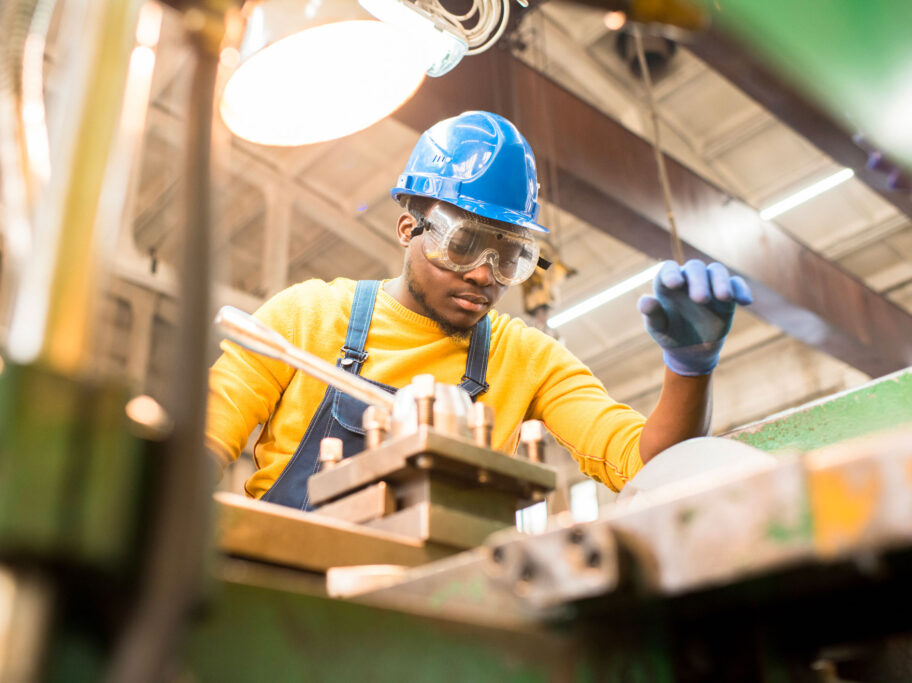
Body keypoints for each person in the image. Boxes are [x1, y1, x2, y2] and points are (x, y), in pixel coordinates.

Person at [206, 110, 752, 510]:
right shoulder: (304, 318)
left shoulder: (527, 358)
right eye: (463, 244)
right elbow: (202, 444)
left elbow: (647, 464)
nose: (484, 275)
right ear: (407, 228)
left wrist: (689, 371)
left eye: (511, 256)